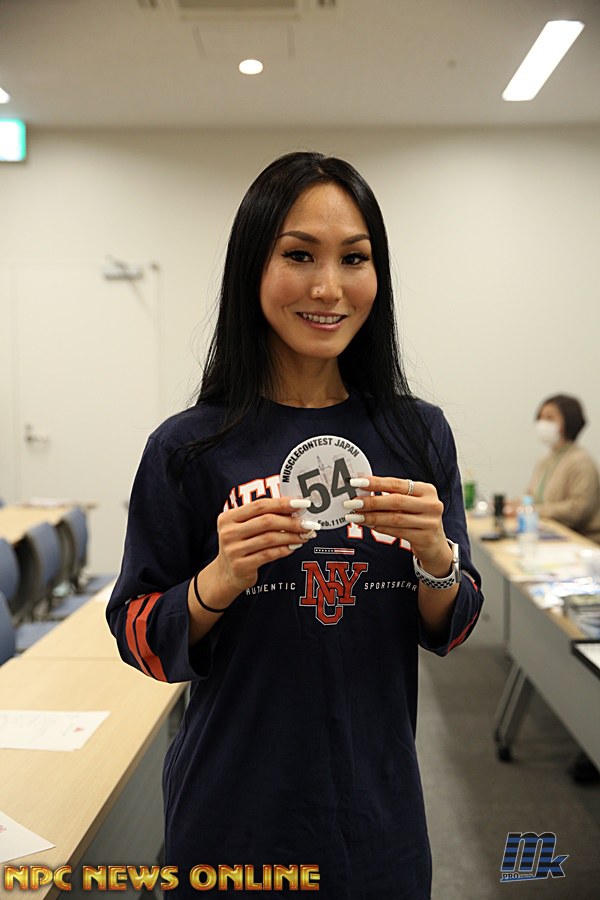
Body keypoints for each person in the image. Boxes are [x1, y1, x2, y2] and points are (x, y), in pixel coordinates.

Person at [106, 151, 483, 898]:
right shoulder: (187, 447)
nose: (328, 287)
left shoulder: (418, 435)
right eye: (299, 255)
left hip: (377, 819)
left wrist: (435, 557)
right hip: (231, 822)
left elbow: (455, 625)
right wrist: (217, 582)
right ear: (253, 267)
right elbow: (138, 637)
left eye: (355, 258)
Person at [526, 394, 600, 543]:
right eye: (540, 417)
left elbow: (578, 510)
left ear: (568, 421)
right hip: (549, 534)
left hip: (581, 540)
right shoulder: (545, 460)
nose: (542, 423)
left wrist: (536, 511)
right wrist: (516, 506)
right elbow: (533, 497)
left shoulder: (581, 461)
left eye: (550, 418)